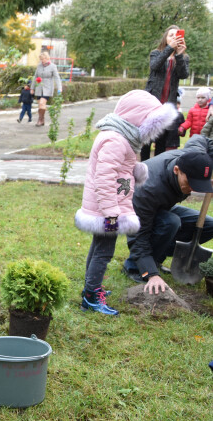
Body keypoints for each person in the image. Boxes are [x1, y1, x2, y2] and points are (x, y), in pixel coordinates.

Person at [74, 90, 177, 315]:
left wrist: (136, 171)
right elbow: (104, 177)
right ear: (137, 119)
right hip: (108, 211)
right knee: (104, 250)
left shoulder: (120, 137)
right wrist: (112, 214)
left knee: (99, 246)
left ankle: (91, 287)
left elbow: (117, 169)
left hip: (106, 208)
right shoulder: (116, 140)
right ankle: (91, 297)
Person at [123, 135, 213, 294]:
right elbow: (138, 235)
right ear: (177, 170)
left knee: (209, 225)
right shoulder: (148, 189)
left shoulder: (193, 155)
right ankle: (136, 267)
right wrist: (150, 274)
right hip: (133, 209)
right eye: (190, 184)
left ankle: (156, 255)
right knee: (171, 222)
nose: (193, 189)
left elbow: (201, 139)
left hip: (161, 205)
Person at [142, 25, 189, 161]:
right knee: (147, 139)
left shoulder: (183, 57)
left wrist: (179, 55)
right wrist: (169, 49)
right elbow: (155, 66)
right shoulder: (156, 53)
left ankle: (157, 168)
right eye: (171, 35)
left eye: (177, 35)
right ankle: (144, 166)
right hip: (152, 103)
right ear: (165, 38)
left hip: (167, 104)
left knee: (162, 140)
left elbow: (183, 75)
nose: (174, 38)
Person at [30, 52, 62, 127]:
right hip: (39, 87)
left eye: (43, 59)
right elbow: (35, 77)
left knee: (42, 103)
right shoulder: (39, 66)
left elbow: (57, 78)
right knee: (40, 105)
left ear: (47, 58)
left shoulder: (53, 66)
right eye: (40, 59)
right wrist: (32, 88)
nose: (42, 61)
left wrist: (59, 87)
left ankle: (40, 120)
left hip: (48, 88)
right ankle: (42, 119)